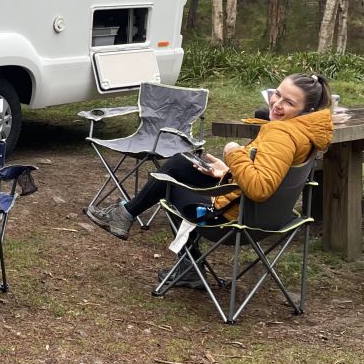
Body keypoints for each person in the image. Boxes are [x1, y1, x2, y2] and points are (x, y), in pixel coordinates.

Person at [98, 72, 335, 240]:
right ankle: (125, 214)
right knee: (181, 162)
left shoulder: (282, 134)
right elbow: (268, 171)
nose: (277, 104)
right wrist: (228, 172)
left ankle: (188, 267)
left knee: (168, 184)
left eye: (289, 102)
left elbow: (260, 188)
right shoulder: (304, 133)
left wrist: (234, 152)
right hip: (259, 210)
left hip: (233, 217)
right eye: (278, 94)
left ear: (307, 111)